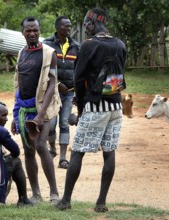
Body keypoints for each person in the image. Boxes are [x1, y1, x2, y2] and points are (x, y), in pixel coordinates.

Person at [56, 8, 126, 212]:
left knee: (77, 151)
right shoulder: (120, 44)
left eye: (87, 25)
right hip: (115, 105)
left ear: (91, 25)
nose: (85, 29)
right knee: (109, 151)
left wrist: (82, 105)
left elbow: (78, 79)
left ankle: (66, 200)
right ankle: (101, 203)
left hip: (95, 106)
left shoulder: (89, 45)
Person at [11, 16, 61, 204]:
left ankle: (55, 193)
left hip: (43, 109)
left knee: (41, 146)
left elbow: (52, 84)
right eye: (28, 30)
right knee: (28, 150)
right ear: (23, 32)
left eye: (35, 30)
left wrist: (40, 116)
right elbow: (19, 84)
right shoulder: (21, 53)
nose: (32, 33)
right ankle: (36, 194)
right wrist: (15, 116)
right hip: (24, 109)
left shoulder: (49, 53)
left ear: (40, 31)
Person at [43, 16, 80, 169]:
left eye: (70, 26)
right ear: (58, 28)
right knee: (51, 124)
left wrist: (78, 92)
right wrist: (57, 84)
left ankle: (63, 158)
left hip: (69, 92)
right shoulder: (47, 45)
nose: (69, 29)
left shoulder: (76, 46)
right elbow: (43, 69)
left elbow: (79, 70)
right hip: (52, 92)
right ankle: (52, 149)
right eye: (66, 26)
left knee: (64, 123)